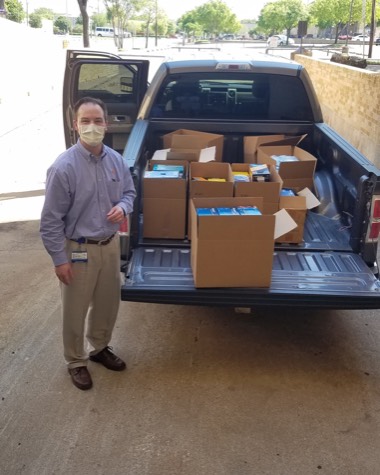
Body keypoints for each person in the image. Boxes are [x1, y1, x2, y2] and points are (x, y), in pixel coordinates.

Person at [40, 97, 136, 390]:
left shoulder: (116, 161)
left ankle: (99, 348)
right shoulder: (64, 168)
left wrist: (123, 206)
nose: (92, 126)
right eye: (85, 121)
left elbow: (130, 192)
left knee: (107, 304)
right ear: (75, 126)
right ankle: (76, 360)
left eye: (97, 120)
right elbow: (50, 221)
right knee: (75, 308)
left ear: (106, 124)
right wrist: (60, 259)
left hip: (108, 244)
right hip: (78, 247)